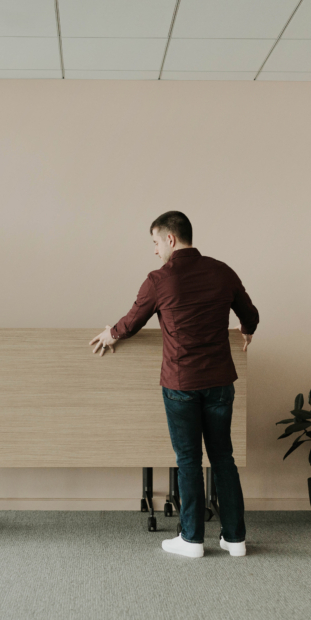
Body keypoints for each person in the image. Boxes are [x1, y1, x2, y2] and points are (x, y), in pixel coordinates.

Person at [89, 211, 259, 558]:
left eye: (155, 242)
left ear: (170, 239)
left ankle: (192, 539)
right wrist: (247, 331)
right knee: (223, 458)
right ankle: (235, 539)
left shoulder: (159, 280)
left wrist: (111, 334)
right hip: (220, 382)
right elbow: (251, 314)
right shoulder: (222, 271)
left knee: (189, 460)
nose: (154, 251)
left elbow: (132, 321)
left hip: (181, 383)